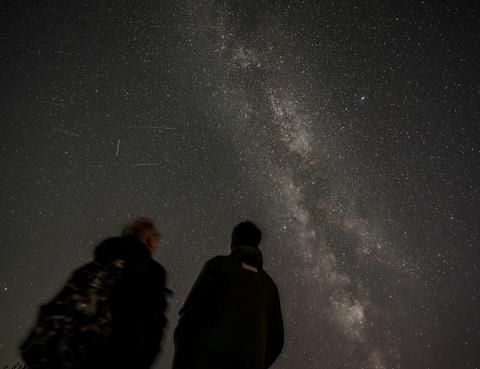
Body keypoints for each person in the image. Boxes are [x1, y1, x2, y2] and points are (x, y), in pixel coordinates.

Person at [20, 217, 169, 369]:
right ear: (149, 240)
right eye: (155, 238)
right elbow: (152, 328)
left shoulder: (88, 269)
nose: (157, 244)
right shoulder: (151, 271)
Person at [172, 221, 284, 369]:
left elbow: (191, 314)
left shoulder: (218, 266)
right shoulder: (268, 284)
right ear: (257, 243)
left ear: (234, 241)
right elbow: (276, 337)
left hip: (211, 360)